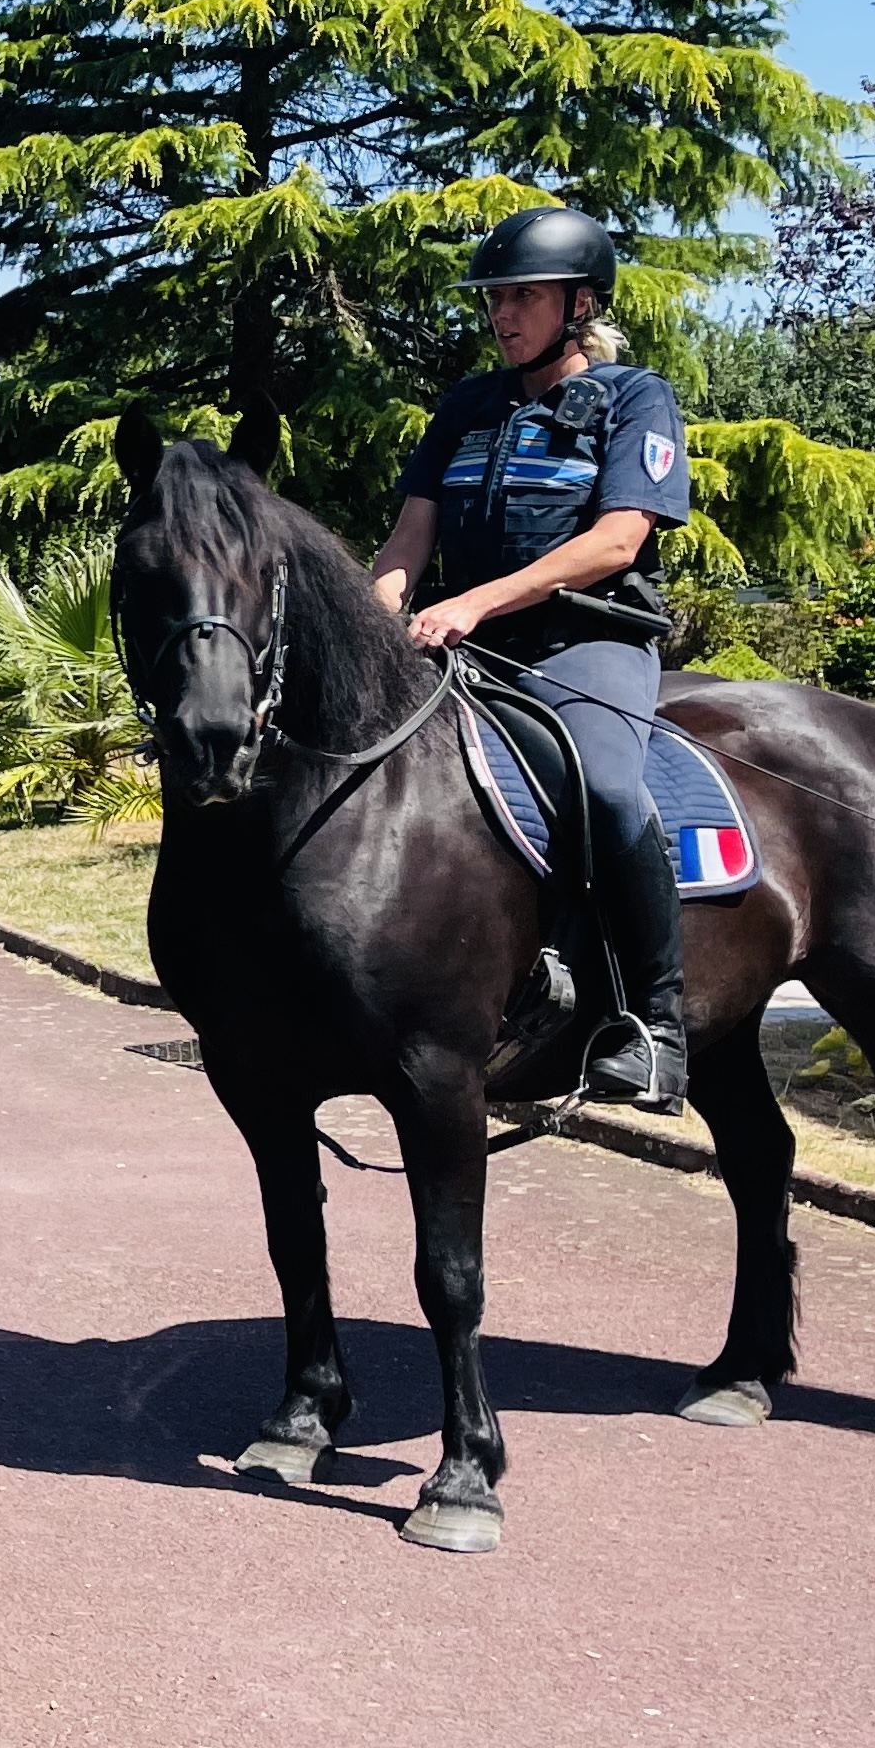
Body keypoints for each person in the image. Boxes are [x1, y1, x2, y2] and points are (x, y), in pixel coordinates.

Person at [366, 206, 694, 1112]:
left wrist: (471, 603)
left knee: (607, 787)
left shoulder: (635, 398)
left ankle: (655, 1027)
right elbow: (407, 542)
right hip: (468, 644)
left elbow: (616, 542)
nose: (502, 314)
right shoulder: (466, 407)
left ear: (579, 303)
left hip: (586, 641)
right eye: (494, 298)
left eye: (524, 296)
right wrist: (372, 625)